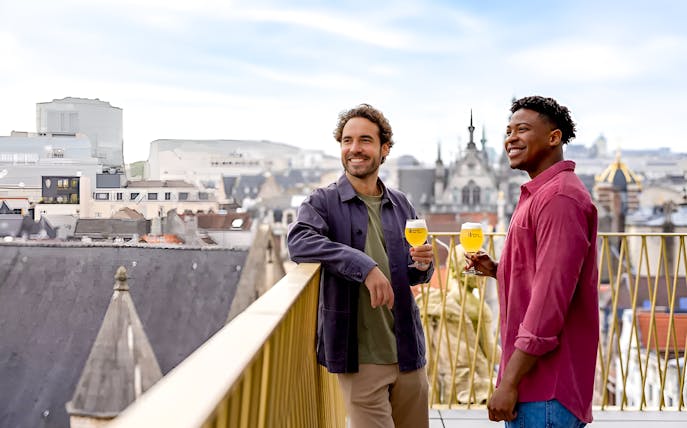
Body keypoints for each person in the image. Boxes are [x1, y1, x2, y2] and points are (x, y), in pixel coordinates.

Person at [287, 104, 434, 428]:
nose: (355, 149)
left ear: (384, 149)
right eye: (347, 140)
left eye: (365, 140)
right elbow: (299, 242)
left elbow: (413, 270)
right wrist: (363, 266)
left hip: (409, 352)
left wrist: (423, 264)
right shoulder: (322, 201)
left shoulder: (401, 203)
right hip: (361, 359)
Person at [467, 96, 599, 427]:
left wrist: (508, 382)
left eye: (522, 129)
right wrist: (500, 271)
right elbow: (547, 276)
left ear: (554, 137)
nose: (510, 138)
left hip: (545, 388)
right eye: (508, 130)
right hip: (538, 385)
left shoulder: (559, 199)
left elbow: (548, 304)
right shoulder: (543, 192)